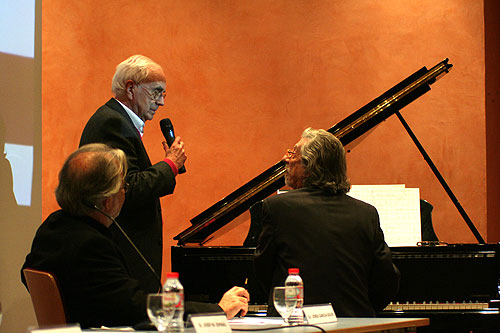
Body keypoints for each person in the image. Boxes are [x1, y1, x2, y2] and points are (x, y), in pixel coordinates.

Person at [21, 144, 249, 329]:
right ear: (107, 201)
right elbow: (138, 308)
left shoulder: (52, 227)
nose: (125, 191)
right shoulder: (91, 244)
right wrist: (215, 310)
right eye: (124, 185)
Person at [253, 128, 400, 317]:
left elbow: (264, 273)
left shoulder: (277, 207)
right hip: (355, 327)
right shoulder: (366, 214)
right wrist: (357, 311)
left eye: (293, 153)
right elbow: (386, 280)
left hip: (296, 325)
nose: (285, 159)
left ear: (310, 165)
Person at [79, 55, 186, 293]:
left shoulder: (117, 120)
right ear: (131, 88)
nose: (161, 102)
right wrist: (170, 165)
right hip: (121, 254)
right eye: (156, 92)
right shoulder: (112, 124)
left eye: (163, 94)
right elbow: (129, 188)